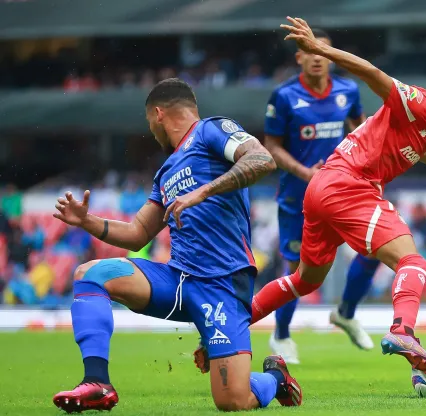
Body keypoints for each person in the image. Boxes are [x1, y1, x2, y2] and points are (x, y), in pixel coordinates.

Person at [249, 16, 426, 375]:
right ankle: (402, 331)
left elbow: (418, 144)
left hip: (322, 189)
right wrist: (320, 48)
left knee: (305, 280)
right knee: (415, 262)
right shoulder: (420, 102)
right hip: (349, 184)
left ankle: (231, 328)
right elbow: (373, 74)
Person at [51, 78, 302, 412]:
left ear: (158, 114)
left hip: (222, 284)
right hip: (178, 280)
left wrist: (202, 191)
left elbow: (262, 160)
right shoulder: (166, 171)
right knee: (91, 274)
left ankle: (276, 379)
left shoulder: (211, 130)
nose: (151, 131)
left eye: (148, 123)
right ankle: (98, 382)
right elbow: (139, 232)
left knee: (232, 401)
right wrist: (87, 222)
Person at [263, 27, 378, 363]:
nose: (316, 58)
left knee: (374, 247)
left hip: (343, 191)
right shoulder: (283, 96)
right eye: (309, 52)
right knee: (300, 269)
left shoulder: (348, 90)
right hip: (297, 197)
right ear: (299, 57)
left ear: (330, 56)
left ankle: (345, 311)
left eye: (322, 52)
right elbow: (272, 146)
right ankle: (282, 335)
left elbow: (361, 131)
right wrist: (305, 172)